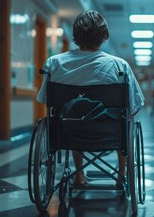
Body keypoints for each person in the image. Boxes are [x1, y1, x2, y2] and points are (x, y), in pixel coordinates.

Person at [36, 10, 145, 187]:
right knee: (125, 120)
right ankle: (121, 175)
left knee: (73, 115)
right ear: (104, 36)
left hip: (70, 132)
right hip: (110, 132)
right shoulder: (119, 66)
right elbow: (134, 106)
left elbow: (45, 100)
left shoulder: (54, 63)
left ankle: (79, 176)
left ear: (76, 35)